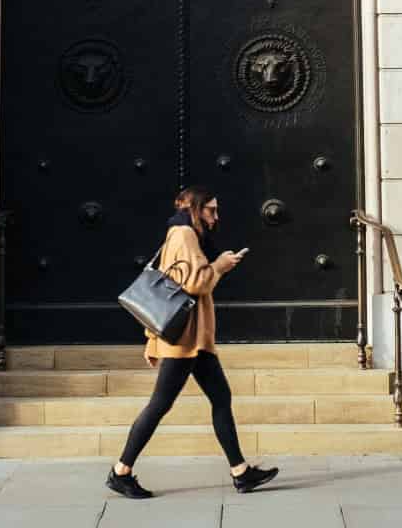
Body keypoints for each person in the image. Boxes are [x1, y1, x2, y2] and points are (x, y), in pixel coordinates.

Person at [106, 185, 280, 499]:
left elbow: (165, 285)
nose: (216, 216)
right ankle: (121, 471)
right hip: (184, 340)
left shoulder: (181, 234)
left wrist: (151, 340)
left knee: (220, 397)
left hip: (192, 340)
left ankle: (241, 472)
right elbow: (194, 283)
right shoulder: (184, 235)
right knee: (160, 405)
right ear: (195, 209)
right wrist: (220, 267)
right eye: (211, 210)